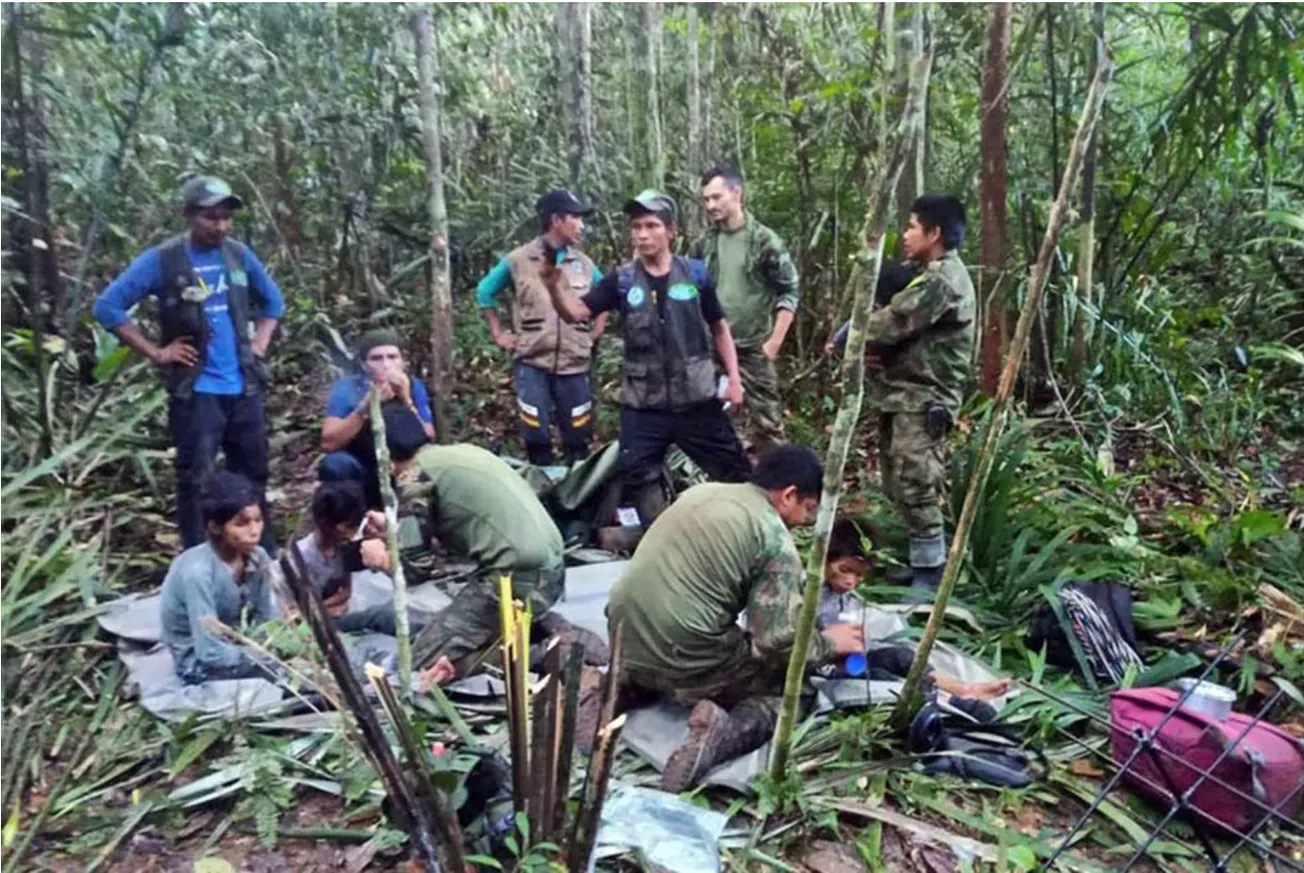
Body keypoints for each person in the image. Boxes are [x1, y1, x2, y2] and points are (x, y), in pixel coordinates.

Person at [602, 445, 866, 792]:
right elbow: (775, 642)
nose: (804, 521)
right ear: (789, 495)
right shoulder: (773, 539)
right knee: (793, 694)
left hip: (622, 634)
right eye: (808, 508)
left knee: (678, 642)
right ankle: (721, 735)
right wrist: (830, 643)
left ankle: (619, 688)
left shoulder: (702, 493)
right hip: (685, 652)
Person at [93, 174, 284, 553]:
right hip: (197, 391)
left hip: (243, 385)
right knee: (197, 479)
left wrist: (259, 345)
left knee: (253, 474)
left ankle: (262, 555)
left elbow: (273, 302)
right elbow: (108, 307)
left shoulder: (238, 255)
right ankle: (200, 558)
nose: (221, 226)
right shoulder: (164, 260)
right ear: (187, 215)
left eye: (226, 218)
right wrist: (157, 352)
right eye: (211, 217)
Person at [541, 189, 751, 527]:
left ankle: (741, 530)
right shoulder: (622, 281)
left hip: (697, 400)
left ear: (671, 231)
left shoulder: (696, 274)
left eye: (651, 226)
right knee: (636, 473)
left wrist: (735, 379)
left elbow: (719, 328)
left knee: (735, 472)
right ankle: (662, 533)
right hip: (644, 404)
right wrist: (553, 285)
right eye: (636, 227)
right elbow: (576, 313)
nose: (642, 234)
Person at [364, 441, 605, 678]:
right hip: (548, 569)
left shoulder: (413, 477)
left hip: (516, 578)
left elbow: (416, 570)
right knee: (459, 625)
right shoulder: (458, 453)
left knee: (420, 665)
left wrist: (383, 559)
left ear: (387, 463)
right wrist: (398, 529)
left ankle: (545, 654)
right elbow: (459, 527)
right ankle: (543, 628)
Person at [858, 195, 975, 598]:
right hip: (904, 393)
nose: (905, 235)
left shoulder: (942, 280)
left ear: (934, 232)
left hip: (925, 398)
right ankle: (920, 559)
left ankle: (931, 573)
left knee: (917, 481)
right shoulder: (926, 274)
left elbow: (892, 322)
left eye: (911, 227)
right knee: (898, 480)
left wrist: (848, 337)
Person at [477, 189, 608, 467]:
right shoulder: (518, 260)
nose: (581, 225)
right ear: (556, 220)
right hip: (532, 361)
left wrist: (595, 332)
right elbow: (485, 292)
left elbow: (606, 295)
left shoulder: (584, 264)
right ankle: (540, 482)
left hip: (574, 364)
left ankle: (576, 485)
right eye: (575, 218)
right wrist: (498, 333)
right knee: (535, 432)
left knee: (579, 434)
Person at [819, 518, 1009, 699]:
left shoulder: (843, 597)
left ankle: (962, 690)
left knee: (902, 657)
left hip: (846, 661)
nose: (850, 582)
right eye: (844, 570)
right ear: (823, 559)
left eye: (859, 575)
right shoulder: (810, 594)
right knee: (881, 679)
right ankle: (945, 701)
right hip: (820, 668)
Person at [691, 165, 800, 455]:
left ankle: (777, 478)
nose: (710, 205)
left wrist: (774, 343)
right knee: (715, 423)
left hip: (753, 348)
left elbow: (789, 290)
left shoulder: (764, 241)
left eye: (716, 197)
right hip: (712, 349)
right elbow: (691, 291)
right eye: (706, 199)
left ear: (736, 192)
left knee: (768, 425)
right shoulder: (704, 244)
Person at [159, 471, 278, 684]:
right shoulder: (198, 573)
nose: (254, 531)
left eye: (258, 520)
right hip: (199, 660)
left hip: (244, 644)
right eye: (242, 524)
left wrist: (272, 644)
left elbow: (267, 616)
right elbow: (209, 652)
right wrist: (261, 656)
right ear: (215, 527)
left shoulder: (258, 557)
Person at [319, 330, 435, 508]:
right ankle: (352, 516)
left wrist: (406, 399)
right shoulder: (348, 389)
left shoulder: (413, 385)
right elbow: (329, 443)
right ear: (364, 365)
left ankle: (414, 512)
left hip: (405, 466)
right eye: (376, 358)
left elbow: (429, 436)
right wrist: (365, 407)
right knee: (336, 464)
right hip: (365, 464)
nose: (386, 364)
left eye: (392, 357)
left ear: (402, 361)